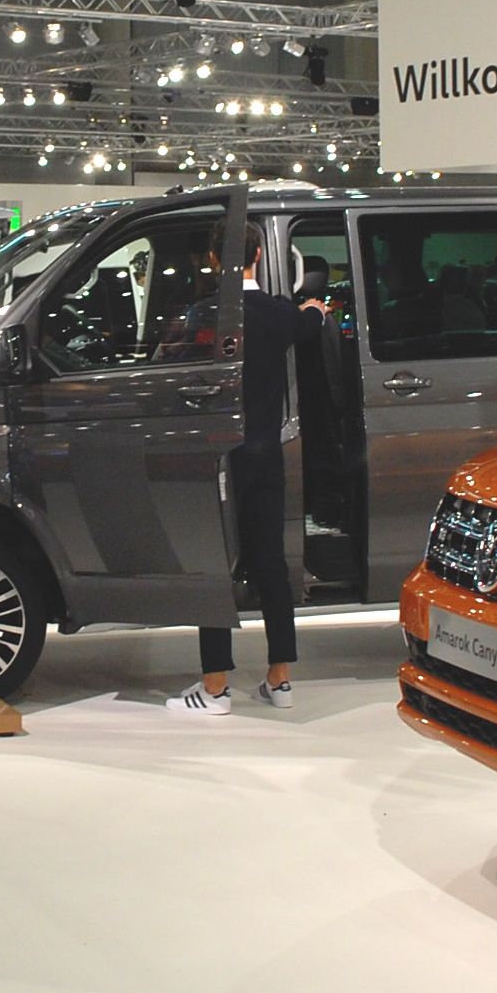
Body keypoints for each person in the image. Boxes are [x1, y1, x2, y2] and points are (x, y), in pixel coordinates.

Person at [170, 237, 323, 716]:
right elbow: (312, 320)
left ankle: (215, 686)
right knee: (270, 563)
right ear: (258, 256)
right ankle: (280, 680)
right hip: (265, 454)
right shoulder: (279, 314)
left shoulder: (205, 315)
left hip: (220, 457)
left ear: (213, 258)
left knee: (213, 561)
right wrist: (314, 307)